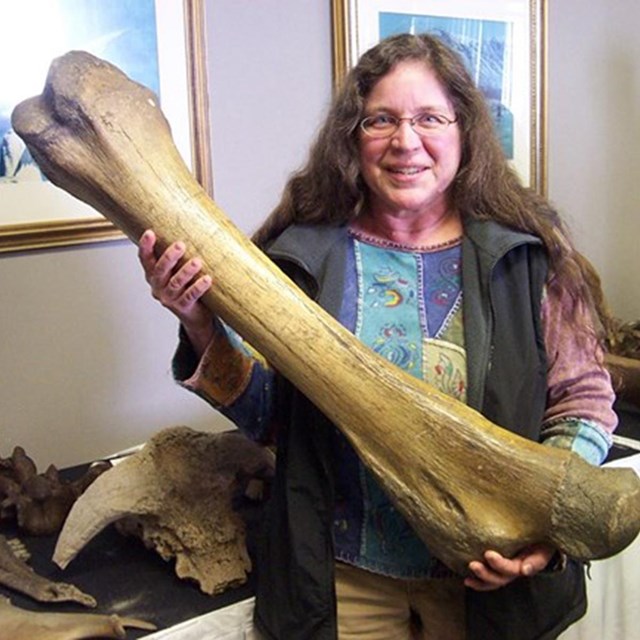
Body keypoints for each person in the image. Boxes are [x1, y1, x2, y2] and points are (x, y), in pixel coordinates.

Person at [137, 33, 617, 640]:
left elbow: (583, 404)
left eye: (429, 118)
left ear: (465, 131)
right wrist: (200, 322)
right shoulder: (300, 258)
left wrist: (545, 530)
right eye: (381, 120)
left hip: (491, 583)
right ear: (352, 138)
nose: (405, 141)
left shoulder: (528, 256)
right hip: (342, 584)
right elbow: (271, 419)